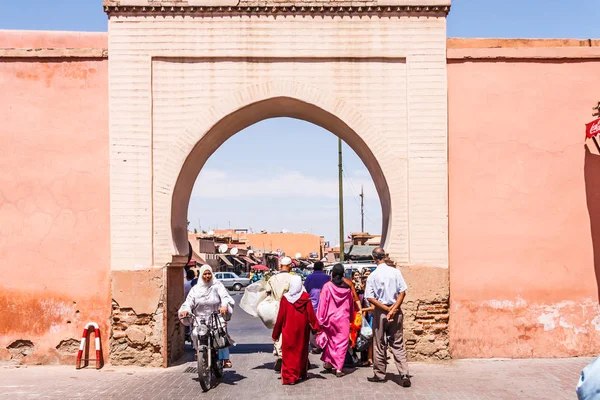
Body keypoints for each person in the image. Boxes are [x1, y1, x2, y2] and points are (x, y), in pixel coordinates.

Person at [365, 247, 410, 387]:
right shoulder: (395, 272)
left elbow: (370, 297)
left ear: (374, 257)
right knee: (397, 342)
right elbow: (402, 292)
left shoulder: (373, 276)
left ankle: (379, 374)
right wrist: (393, 309)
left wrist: (386, 309)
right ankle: (404, 373)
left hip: (381, 311)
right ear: (384, 256)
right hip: (395, 310)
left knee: (379, 343)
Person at [179, 264, 235, 368]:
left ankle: (225, 358)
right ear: (201, 275)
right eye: (205, 274)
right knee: (195, 334)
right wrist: (186, 310)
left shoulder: (217, 286)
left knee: (220, 334)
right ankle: (198, 350)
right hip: (200, 319)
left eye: (209, 273)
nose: (207, 276)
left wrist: (224, 306)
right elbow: (188, 302)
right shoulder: (195, 289)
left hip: (216, 317)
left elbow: (225, 297)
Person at [272, 275, 319, 385]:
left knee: (288, 353)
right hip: (302, 330)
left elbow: (280, 317)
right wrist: (316, 328)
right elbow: (311, 315)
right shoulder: (305, 297)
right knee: (301, 351)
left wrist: (276, 333)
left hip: (288, 329)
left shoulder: (285, 298)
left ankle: (290, 377)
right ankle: (301, 373)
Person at [316, 264, 355, 377]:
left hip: (330, 319)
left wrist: (320, 319)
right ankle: (338, 368)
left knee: (331, 341)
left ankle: (329, 363)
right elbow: (351, 305)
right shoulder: (347, 289)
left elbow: (323, 304)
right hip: (343, 319)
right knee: (342, 344)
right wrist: (351, 318)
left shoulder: (327, 286)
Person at [266, 256, 294, 372]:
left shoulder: (272, 278)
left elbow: (268, 293)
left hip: (276, 306)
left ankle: (279, 353)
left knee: (278, 330)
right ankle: (287, 354)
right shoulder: (293, 278)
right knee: (288, 330)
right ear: (290, 266)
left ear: (281, 265)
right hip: (290, 306)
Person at [303, 261, 330, 354]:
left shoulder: (309, 277)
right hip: (326, 306)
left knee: (312, 326)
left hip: (312, 305)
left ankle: (315, 347)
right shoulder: (327, 278)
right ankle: (324, 344)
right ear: (322, 268)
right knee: (325, 325)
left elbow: (305, 291)